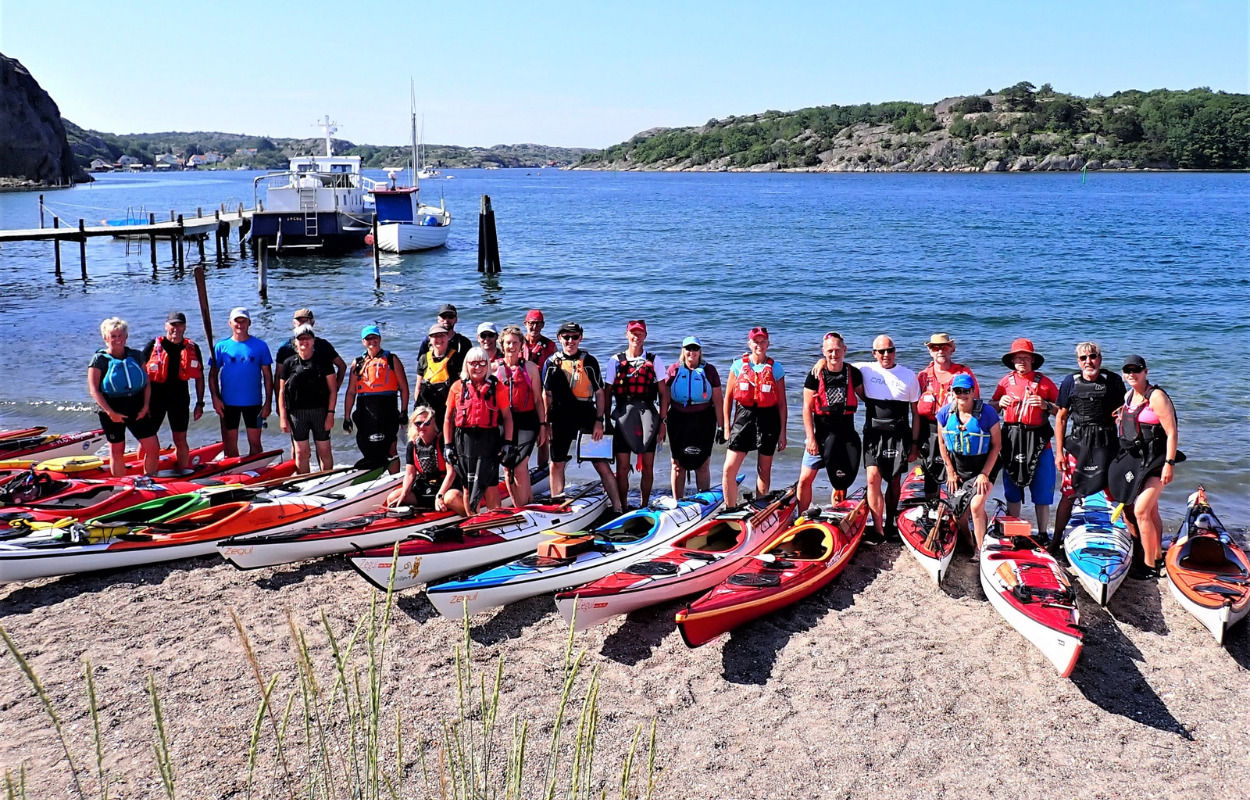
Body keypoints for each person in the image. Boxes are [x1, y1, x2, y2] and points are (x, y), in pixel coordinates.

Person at [1109, 355, 1182, 579]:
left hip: (1158, 461)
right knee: (1152, 511)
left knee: (1140, 510)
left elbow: (1172, 433)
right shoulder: (1128, 395)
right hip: (1138, 460)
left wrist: (1169, 464)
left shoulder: (1157, 397)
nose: (1132, 374)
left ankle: (1149, 565)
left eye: (1136, 370)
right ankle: (1158, 555)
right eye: (1127, 370)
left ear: (1145, 372)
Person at [542, 322, 623, 512]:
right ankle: (557, 504)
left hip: (585, 412)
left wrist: (599, 421)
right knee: (556, 463)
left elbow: (600, 392)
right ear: (559, 338)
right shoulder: (551, 362)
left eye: (575, 337)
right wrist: (546, 423)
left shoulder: (589, 361)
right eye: (566, 337)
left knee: (600, 463)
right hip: (560, 415)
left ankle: (618, 507)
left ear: (581, 338)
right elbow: (546, 394)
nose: (570, 341)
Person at [1052, 342, 1126, 545]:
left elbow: (1124, 415)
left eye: (1092, 356)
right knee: (1069, 494)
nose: (1088, 361)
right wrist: (1059, 452)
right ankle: (1055, 541)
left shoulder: (1114, 381)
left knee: (1120, 495)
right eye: (1083, 358)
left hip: (1108, 446)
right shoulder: (1070, 382)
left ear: (1100, 358)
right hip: (1078, 446)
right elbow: (1061, 417)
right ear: (1078, 361)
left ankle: (1137, 549)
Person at [992, 338, 1060, 542]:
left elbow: (1062, 412)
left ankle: (1042, 533)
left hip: (1039, 439)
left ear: (1032, 359)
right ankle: (1015, 531)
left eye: (1025, 357)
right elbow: (989, 406)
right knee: (1012, 487)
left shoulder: (1045, 383)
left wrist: (1046, 405)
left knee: (1042, 488)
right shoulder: (1005, 382)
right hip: (1012, 438)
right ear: (1012, 361)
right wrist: (998, 402)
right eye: (1017, 357)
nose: (1021, 361)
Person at [856, 335, 920, 538]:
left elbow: (916, 413)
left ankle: (891, 523)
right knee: (873, 479)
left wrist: (915, 444)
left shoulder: (908, 375)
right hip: (873, 434)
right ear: (874, 353)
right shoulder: (865, 369)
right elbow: (837, 363)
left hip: (899, 434)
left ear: (895, 352)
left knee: (894, 481)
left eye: (890, 350)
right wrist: (822, 360)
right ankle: (878, 529)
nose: (886, 355)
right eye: (881, 351)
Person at [604, 320, 669, 507]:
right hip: (623, 418)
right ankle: (623, 505)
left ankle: (644, 505)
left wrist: (662, 421)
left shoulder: (655, 360)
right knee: (622, 467)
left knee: (648, 467)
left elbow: (664, 394)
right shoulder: (615, 361)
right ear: (626, 334)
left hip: (648, 417)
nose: (636, 337)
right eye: (633, 333)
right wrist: (606, 420)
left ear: (645, 336)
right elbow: (607, 393)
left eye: (640, 333)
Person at [935, 374, 1002, 552]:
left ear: (973, 392)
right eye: (958, 391)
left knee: (976, 505)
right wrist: (950, 471)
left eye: (966, 391)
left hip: (984, 464)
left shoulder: (988, 413)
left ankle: (980, 550)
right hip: (958, 465)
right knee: (958, 508)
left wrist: (984, 474)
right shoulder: (944, 413)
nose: (962, 394)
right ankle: (969, 541)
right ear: (952, 392)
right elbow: (942, 443)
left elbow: (997, 446)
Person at [799, 332, 865, 511]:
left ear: (845, 350)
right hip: (821, 435)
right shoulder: (815, 374)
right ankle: (801, 515)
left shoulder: (854, 373)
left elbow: (866, 397)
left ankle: (837, 513)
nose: (833, 354)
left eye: (837, 350)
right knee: (805, 479)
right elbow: (806, 408)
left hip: (844, 435)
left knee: (840, 483)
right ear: (823, 351)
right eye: (829, 351)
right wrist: (810, 438)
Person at [722, 326, 787, 509]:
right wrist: (726, 426)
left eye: (763, 341)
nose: (759, 345)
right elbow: (728, 398)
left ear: (768, 343)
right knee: (729, 469)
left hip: (768, 419)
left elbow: (782, 403)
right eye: (756, 341)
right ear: (749, 343)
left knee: (763, 471)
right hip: (744, 417)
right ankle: (730, 508)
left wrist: (783, 432)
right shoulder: (737, 366)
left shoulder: (776, 368)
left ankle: (760, 508)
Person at [87, 317, 160, 477]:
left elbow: (147, 383)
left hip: (136, 406)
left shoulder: (136, 355)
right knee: (117, 450)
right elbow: (94, 390)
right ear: (106, 338)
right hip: (111, 408)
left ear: (126, 337)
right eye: (113, 336)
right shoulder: (99, 360)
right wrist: (110, 413)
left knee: (153, 447)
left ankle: (150, 479)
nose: (117, 339)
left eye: (120, 335)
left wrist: (146, 406)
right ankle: (122, 484)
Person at [443, 347, 514, 512]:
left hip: (488, 439)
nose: (478, 367)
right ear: (466, 365)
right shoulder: (456, 387)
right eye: (473, 363)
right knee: (468, 485)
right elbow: (447, 419)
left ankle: (494, 519)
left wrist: (508, 443)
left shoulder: (498, 387)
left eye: (482, 362)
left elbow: (508, 417)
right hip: (464, 440)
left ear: (488, 364)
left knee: (490, 484)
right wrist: (448, 445)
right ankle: (472, 521)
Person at [914, 333, 978, 499]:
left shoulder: (964, 374)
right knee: (930, 472)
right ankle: (931, 510)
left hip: (956, 429)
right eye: (935, 347)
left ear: (952, 349)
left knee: (958, 472)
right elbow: (915, 411)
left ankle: (959, 511)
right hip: (929, 430)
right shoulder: (922, 376)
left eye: (944, 347)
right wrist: (915, 441)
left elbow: (976, 403)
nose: (940, 350)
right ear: (930, 351)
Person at [141, 311, 205, 470]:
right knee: (148, 439)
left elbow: (199, 377)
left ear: (184, 327)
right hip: (155, 399)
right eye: (173, 324)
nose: (176, 328)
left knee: (180, 439)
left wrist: (200, 403)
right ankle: (139, 471)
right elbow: (140, 374)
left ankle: (183, 471)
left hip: (179, 399)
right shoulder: (153, 346)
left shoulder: (192, 347)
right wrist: (142, 403)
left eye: (180, 324)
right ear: (166, 325)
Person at [343, 325, 410, 472]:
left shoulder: (392, 359)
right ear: (363, 342)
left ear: (380, 339)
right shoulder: (358, 363)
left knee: (390, 448)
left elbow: (404, 388)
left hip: (387, 409)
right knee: (367, 447)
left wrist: (404, 411)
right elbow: (350, 392)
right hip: (365, 410)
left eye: (374, 337)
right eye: (368, 338)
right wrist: (347, 417)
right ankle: (373, 480)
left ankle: (394, 481)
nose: (372, 341)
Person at [208, 307, 273, 457]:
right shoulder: (221, 347)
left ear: (249, 323)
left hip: (253, 402)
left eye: (244, 321)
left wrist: (268, 402)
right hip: (228, 403)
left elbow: (268, 376)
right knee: (230, 446)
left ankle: (256, 471)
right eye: (237, 321)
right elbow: (212, 375)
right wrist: (215, 398)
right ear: (230, 323)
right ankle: (234, 474)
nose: (240, 325)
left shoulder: (260, 346)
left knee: (255, 443)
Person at [664, 336, 723, 498]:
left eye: (695, 348)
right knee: (677, 465)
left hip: (704, 419)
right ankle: (678, 501)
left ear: (700, 351)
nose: (692, 352)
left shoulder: (709, 371)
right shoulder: (673, 370)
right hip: (678, 420)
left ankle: (703, 500)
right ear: (683, 351)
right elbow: (665, 399)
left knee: (702, 464)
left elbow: (718, 401)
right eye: (688, 348)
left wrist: (722, 427)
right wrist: (661, 422)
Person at [496, 325, 547, 507]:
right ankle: (519, 506)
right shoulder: (495, 368)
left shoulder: (530, 368)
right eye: (508, 343)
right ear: (502, 345)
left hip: (527, 422)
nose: (511, 346)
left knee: (519, 467)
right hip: (504, 423)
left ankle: (527, 506)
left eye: (515, 343)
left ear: (521, 345)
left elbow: (538, 400)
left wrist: (543, 425)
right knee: (507, 469)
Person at [385, 405, 468, 515]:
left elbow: (451, 473)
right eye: (418, 423)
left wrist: (440, 495)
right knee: (393, 497)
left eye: (427, 423)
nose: (422, 426)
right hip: (426, 487)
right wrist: (404, 494)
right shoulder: (412, 445)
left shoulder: (443, 441)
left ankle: (466, 517)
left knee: (451, 498)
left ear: (433, 423)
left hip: (446, 487)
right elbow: (410, 475)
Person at [277, 324, 336, 474]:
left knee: (324, 451)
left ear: (313, 340)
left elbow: (333, 390)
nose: (304, 341)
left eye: (307, 338)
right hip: (296, 414)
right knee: (301, 453)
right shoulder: (288, 363)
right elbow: (282, 391)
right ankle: (304, 482)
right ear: (295, 342)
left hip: (320, 412)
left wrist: (330, 414)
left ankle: (327, 480)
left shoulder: (323, 362)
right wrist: (283, 417)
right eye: (300, 339)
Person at [274, 308, 346, 393]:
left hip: (319, 397)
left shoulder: (323, 345)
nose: (303, 324)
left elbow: (342, 366)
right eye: (300, 321)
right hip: (294, 397)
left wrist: (335, 388)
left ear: (312, 323)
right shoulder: (285, 347)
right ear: (294, 323)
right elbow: (279, 376)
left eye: (306, 321)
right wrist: (279, 403)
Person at [413, 323, 466, 426]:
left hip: (448, 408)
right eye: (435, 336)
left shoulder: (456, 357)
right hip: (428, 409)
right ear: (430, 339)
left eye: (442, 335)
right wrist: (418, 410)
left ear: (447, 337)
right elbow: (418, 387)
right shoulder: (424, 359)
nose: (439, 339)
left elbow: (463, 385)